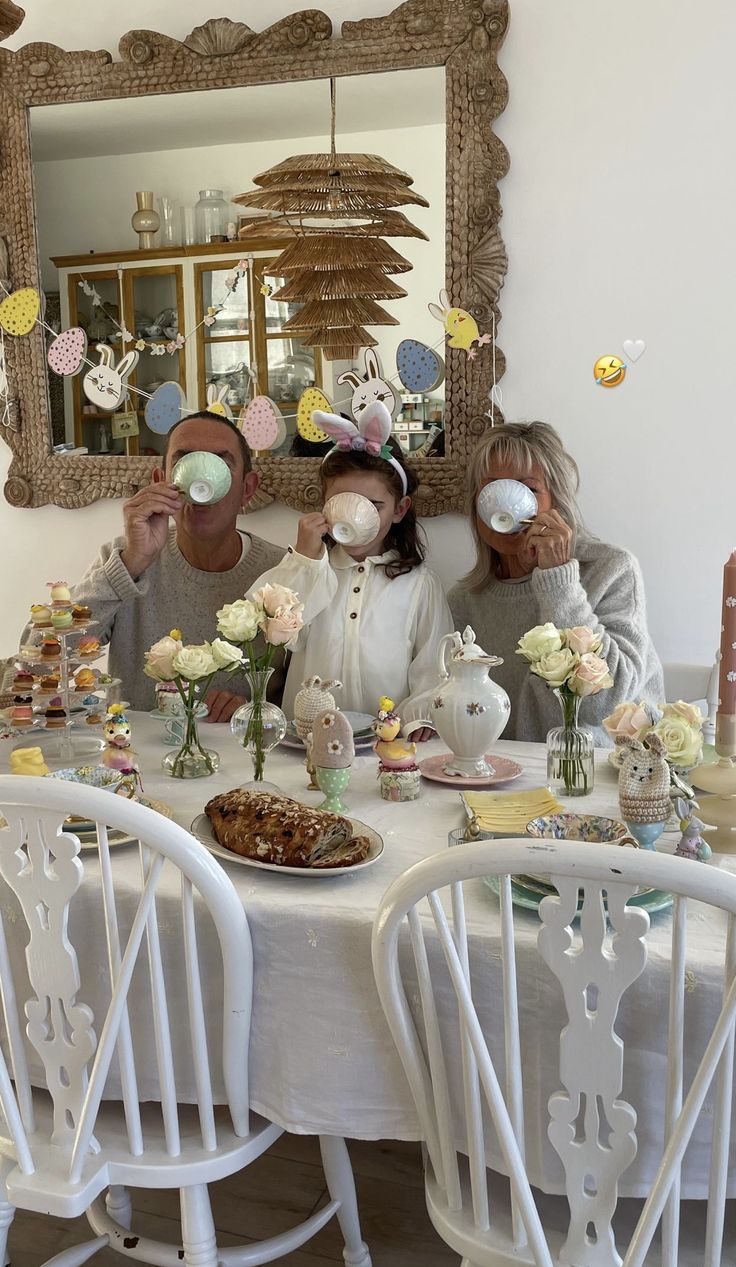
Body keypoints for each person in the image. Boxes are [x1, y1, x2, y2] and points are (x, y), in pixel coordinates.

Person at [448, 421, 664, 744]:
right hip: (501, 780)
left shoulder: (611, 571)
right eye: (492, 488)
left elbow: (605, 704)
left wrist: (558, 581)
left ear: (557, 502)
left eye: (528, 489)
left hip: (606, 777)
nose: (506, 505)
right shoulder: (465, 600)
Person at [248, 406, 452, 737]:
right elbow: (275, 632)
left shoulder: (419, 584)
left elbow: (435, 666)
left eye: (373, 506)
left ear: (399, 510)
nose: (356, 516)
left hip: (384, 743)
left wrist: (419, 717)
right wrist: (304, 558)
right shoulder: (310, 569)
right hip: (308, 740)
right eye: (343, 502)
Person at [70, 410, 285, 720]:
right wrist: (132, 563)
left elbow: (306, 694)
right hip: (133, 756)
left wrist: (255, 714)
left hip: (244, 758)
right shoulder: (123, 558)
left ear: (246, 489)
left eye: (221, 464)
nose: (202, 477)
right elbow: (43, 658)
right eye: (186, 462)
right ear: (162, 481)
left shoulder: (282, 573)